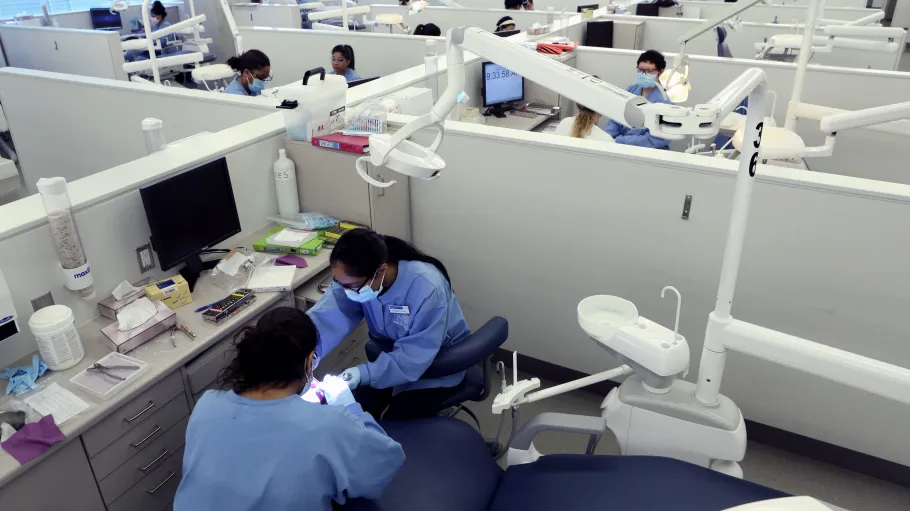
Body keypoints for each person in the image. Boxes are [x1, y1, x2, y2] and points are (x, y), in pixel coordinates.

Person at [174, 308, 405, 511]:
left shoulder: (207, 405)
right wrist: (349, 406)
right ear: (308, 361)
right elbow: (387, 460)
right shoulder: (328, 425)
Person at [306, 229, 472, 421]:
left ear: (381, 271)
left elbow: (414, 356)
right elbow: (328, 316)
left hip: (436, 365)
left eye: (352, 287)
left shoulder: (426, 287)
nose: (346, 291)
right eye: (340, 284)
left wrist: (361, 373)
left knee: (396, 424)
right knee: (353, 410)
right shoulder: (354, 280)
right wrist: (306, 350)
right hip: (390, 360)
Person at [605, 50, 672, 149]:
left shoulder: (664, 103)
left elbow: (657, 140)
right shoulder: (631, 90)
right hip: (620, 145)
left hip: (647, 151)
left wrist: (620, 141)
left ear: (660, 72)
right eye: (641, 70)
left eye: (649, 71)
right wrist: (606, 137)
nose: (644, 74)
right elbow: (616, 119)